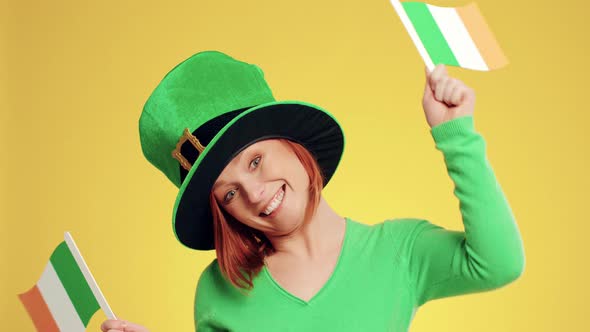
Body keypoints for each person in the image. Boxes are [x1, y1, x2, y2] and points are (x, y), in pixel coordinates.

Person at [101, 51, 525, 332]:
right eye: (228, 194)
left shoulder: (398, 252)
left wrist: (457, 137)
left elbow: (498, 263)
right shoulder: (218, 291)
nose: (252, 194)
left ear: (291, 143)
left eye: (255, 161)